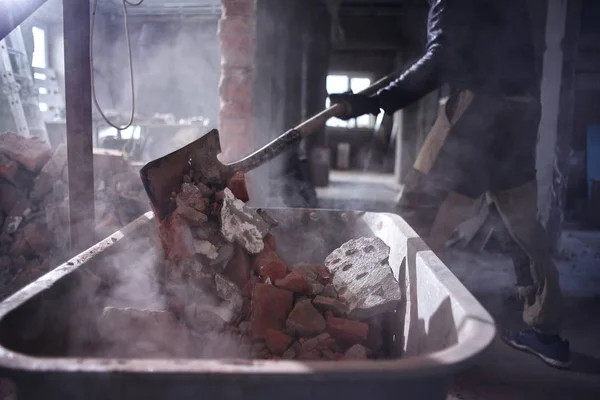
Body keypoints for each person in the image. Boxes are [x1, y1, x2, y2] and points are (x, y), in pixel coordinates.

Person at [329, 0, 571, 368]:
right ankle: (546, 332)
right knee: (520, 222)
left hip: (477, 110)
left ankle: (385, 322)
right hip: (523, 110)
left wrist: (375, 102)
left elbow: (440, 58)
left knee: (416, 214)